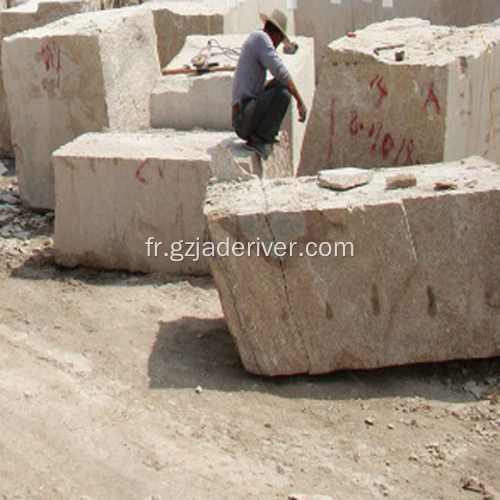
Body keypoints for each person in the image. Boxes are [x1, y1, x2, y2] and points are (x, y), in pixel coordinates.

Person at [231, 9, 307, 160]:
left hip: (245, 112)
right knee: (284, 93)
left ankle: (264, 134)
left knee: (280, 85)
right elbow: (281, 72)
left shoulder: (256, 38)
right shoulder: (261, 39)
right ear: (277, 36)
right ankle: (258, 138)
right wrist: (300, 101)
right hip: (243, 117)